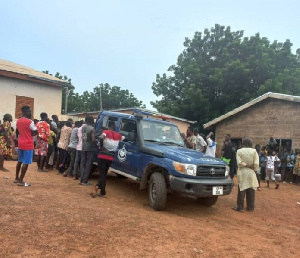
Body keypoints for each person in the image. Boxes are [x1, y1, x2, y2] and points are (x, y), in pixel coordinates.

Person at [92, 120, 124, 197]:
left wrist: (102, 146)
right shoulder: (118, 135)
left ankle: (103, 191)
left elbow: (101, 137)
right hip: (110, 158)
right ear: (114, 126)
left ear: (108, 126)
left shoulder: (105, 132)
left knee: (102, 174)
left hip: (102, 157)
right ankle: (98, 187)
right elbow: (123, 138)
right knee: (104, 173)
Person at [232, 138, 259, 212]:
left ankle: (240, 207)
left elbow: (239, 163)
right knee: (251, 189)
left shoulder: (239, 151)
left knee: (242, 189)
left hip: (242, 171)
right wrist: (252, 167)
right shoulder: (254, 151)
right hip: (251, 171)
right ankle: (250, 207)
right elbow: (256, 164)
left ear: (243, 143)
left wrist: (245, 165)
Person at [15, 106, 37, 186]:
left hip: (20, 142)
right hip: (28, 143)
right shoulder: (30, 122)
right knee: (26, 162)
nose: (31, 113)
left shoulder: (18, 121)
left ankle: (16, 178)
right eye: (30, 111)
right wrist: (32, 133)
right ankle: (21, 181)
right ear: (27, 112)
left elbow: (18, 131)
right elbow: (35, 131)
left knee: (20, 161)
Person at [79, 116, 95, 186]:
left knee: (83, 162)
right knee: (88, 164)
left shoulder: (83, 127)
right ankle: (85, 181)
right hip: (90, 147)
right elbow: (93, 139)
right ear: (91, 121)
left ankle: (81, 179)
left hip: (83, 146)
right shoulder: (92, 128)